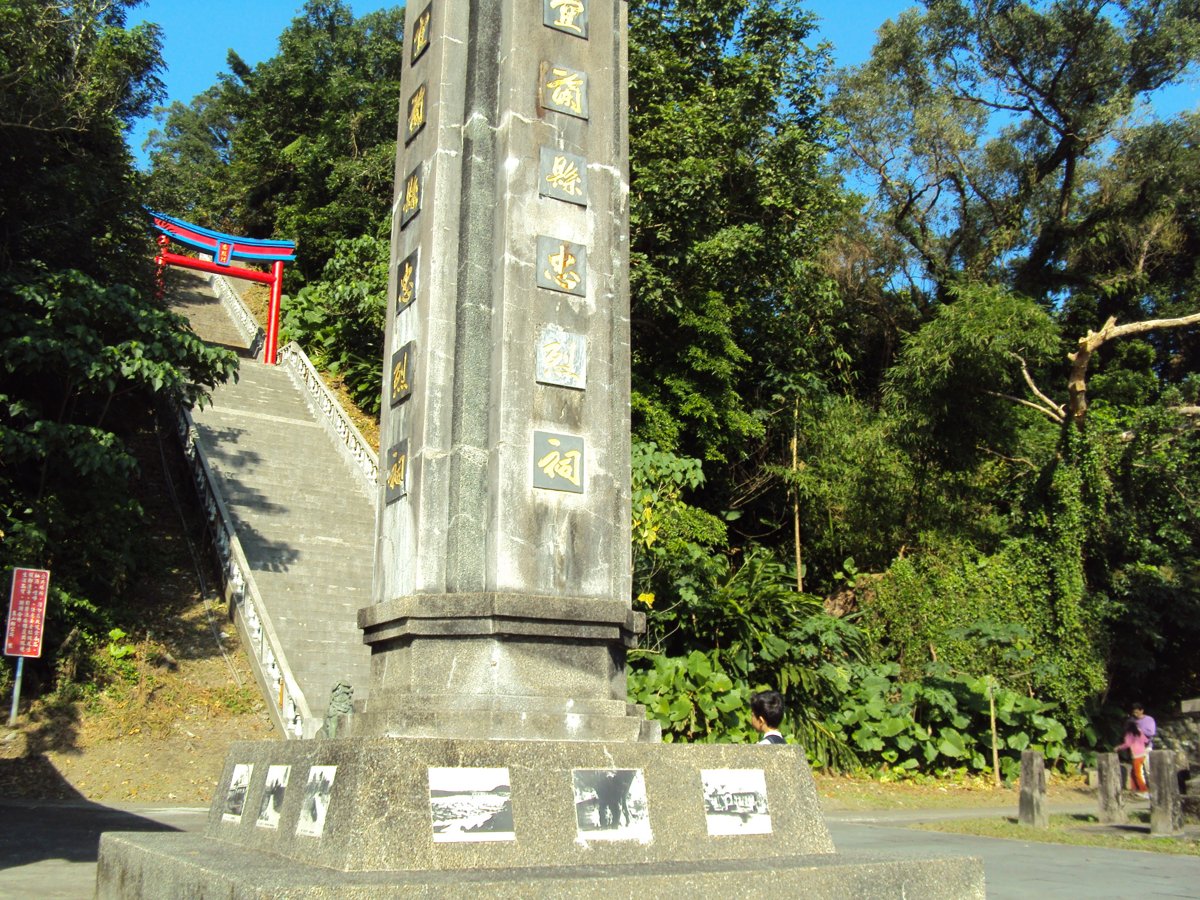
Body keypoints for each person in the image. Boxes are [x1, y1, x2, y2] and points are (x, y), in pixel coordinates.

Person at [1115, 718, 1149, 798]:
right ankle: (1134, 789)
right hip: (1143, 754)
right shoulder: (1139, 732)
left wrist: (1118, 748)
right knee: (1134, 773)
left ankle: (1144, 790)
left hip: (1136, 756)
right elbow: (1146, 741)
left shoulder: (1129, 734)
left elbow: (1127, 744)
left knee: (1138, 774)